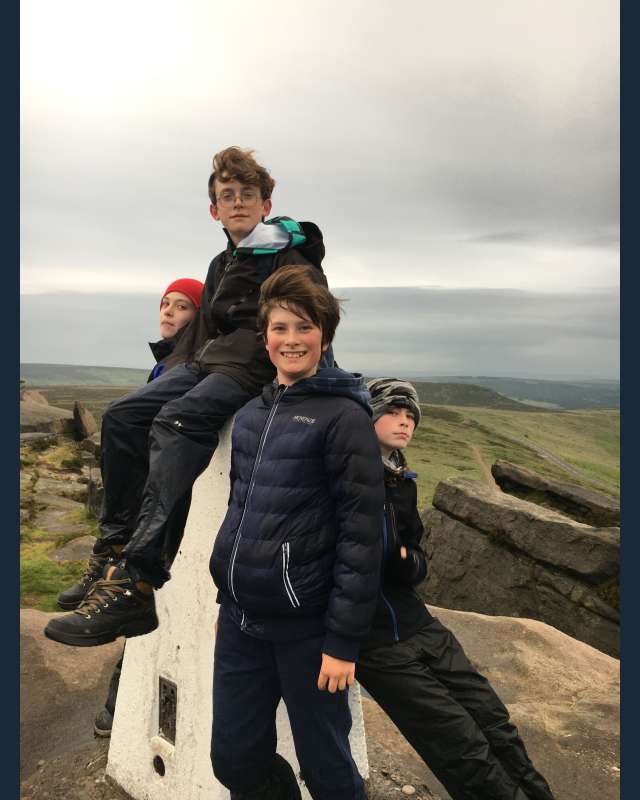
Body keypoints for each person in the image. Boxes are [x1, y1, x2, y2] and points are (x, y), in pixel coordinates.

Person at [45, 146, 328, 648]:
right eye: (227, 195)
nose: (237, 202)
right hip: (210, 362)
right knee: (124, 417)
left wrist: (299, 380)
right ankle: (112, 552)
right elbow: (202, 335)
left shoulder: (291, 256)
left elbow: (311, 320)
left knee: (178, 422)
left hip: (254, 366)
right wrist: (167, 376)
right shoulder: (221, 264)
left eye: (247, 194)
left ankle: (138, 580)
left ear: (266, 204)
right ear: (214, 210)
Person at [209, 266, 384, 800]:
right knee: (234, 760)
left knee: (328, 770)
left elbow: (361, 536)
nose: (291, 339)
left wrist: (342, 643)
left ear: (324, 338)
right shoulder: (251, 414)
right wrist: (227, 597)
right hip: (240, 623)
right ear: (265, 337)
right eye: (280, 328)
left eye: (304, 327)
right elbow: (241, 510)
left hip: (307, 631)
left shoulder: (344, 417)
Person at [356, 378, 557, 800]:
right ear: (368, 415)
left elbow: (416, 557)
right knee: (462, 748)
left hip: (420, 625)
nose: (405, 422)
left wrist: (407, 562)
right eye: (393, 412)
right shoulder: (347, 479)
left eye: (411, 416)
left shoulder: (402, 482)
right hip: (377, 644)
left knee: (495, 723)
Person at [89, 276, 203, 737]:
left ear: (199, 316)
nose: (169, 311)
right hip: (150, 501)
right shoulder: (166, 365)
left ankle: (116, 705)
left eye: (182, 305)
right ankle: (118, 704)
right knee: (139, 597)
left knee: (141, 594)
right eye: (165, 303)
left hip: (166, 506)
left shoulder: (190, 365)